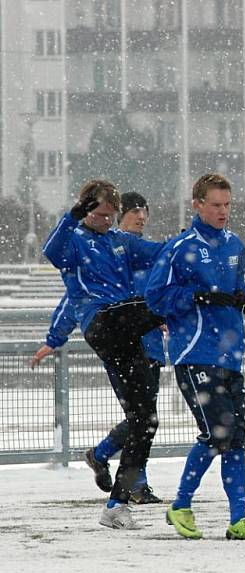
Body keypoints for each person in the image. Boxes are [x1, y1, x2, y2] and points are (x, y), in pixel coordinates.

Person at [146, 173, 245, 540]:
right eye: (215, 205)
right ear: (197, 205)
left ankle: (239, 519)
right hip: (194, 353)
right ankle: (181, 504)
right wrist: (195, 297)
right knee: (218, 433)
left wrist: (244, 296)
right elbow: (156, 298)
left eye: (227, 205)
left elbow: (237, 284)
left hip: (228, 354)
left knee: (234, 437)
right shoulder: (179, 248)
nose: (222, 211)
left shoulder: (235, 245)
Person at [42, 180, 166, 529]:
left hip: (126, 337)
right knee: (161, 305)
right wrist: (71, 218)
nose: (107, 222)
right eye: (101, 215)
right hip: (102, 321)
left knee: (145, 420)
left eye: (112, 217)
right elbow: (52, 253)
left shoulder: (119, 242)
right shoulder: (75, 241)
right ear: (86, 210)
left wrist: (184, 243)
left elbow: (158, 251)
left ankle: (116, 505)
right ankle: (200, 305)